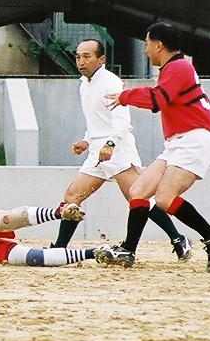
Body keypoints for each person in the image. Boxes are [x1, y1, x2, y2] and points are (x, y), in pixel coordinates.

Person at [104, 22, 210, 271]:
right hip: (178, 142)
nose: (146, 49)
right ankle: (128, 250)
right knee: (138, 191)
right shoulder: (177, 67)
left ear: (159, 45)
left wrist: (126, 96)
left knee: (164, 199)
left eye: (148, 44)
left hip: (193, 142)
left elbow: (156, 101)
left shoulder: (177, 67)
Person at [52, 38, 191, 260]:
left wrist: (110, 144)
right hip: (97, 151)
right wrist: (87, 141)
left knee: (137, 197)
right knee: (72, 196)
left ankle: (177, 238)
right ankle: (59, 249)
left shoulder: (111, 82)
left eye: (87, 56)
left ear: (101, 59)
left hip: (117, 150)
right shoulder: (83, 85)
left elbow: (122, 121)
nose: (81, 61)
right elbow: (97, 121)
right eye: (78, 56)